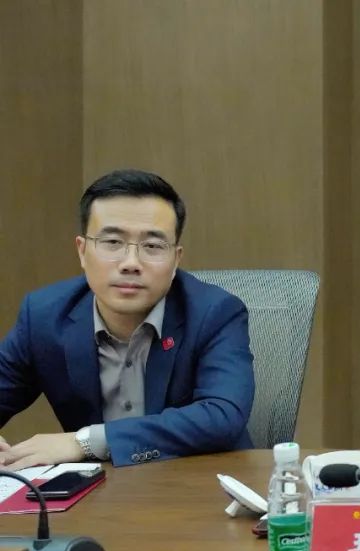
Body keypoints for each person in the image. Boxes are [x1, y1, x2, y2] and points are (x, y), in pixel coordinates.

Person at [0, 169, 255, 469]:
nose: (131, 263)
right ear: (82, 251)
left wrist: (84, 441)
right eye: (112, 242)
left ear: (176, 259)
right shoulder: (45, 316)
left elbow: (222, 415)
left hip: (199, 484)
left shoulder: (216, 312)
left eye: (152, 246)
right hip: (96, 493)